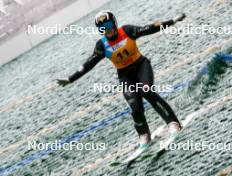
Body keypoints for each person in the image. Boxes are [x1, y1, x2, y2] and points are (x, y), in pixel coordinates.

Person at [57, 11, 185, 149]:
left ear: (114, 23)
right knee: (135, 106)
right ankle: (144, 136)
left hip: (141, 66)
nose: (107, 30)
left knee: (146, 91)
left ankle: (173, 123)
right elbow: (88, 64)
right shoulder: (101, 45)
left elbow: (150, 28)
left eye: (108, 25)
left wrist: (172, 21)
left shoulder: (127, 31)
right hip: (125, 76)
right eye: (102, 28)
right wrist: (71, 79)